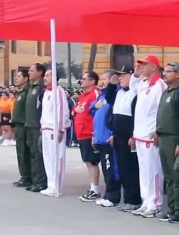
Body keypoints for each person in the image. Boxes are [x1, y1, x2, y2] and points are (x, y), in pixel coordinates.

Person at [131, 55, 167, 218]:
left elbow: (162, 110)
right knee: (143, 170)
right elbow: (132, 85)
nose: (141, 67)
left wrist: (158, 130)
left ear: (154, 67)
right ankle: (146, 200)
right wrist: (137, 73)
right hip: (139, 134)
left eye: (144, 64)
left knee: (154, 170)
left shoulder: (159, 85)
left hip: (151, 135)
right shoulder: (143, 84)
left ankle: (155, 203)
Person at [104, 66, 142, 211]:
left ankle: (134, 199)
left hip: (129, 135)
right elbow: (109, 100)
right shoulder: (120, 92)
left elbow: (135, 116)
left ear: (131, 76)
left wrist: (133, 135)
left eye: (123, 75)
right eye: (118, 75)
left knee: (130, 168)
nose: (119, 78)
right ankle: (127, 198)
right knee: (122, 167)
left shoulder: (135, 91)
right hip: (118, 134)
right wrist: (112, 84)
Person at [156, 62, 179, 222]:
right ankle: (171, 208)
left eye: (169, 71)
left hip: (174, 138)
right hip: (163, 137)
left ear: (178, 74)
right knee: (169, 176)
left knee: (177, 177)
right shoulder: (167, 91)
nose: (164, 74)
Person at [89, 70, 122, 208]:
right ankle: (108, 194)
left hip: (109, 138)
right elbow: (92, 111)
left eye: (105, 79)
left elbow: (115, 117)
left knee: (111, 168)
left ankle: (113, 196)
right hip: (100, 138)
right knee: (105, 167)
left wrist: (113, 134)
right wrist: (94, 136)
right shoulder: (101, 96)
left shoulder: (115, 95)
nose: (102, 82)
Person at [39, 70, 70, 197]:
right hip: (46, 128)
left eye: (47, 75)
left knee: (57, 157)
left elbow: (62, 111)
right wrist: (42, 125)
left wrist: (61, 129)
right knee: (48, 158)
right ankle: (51, 184)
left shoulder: (58, 91)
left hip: (55, 130)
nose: (45, 78)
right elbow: (45, 112)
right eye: (45, 75)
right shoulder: (46, 92)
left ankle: (57, 185)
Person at [74, 71, 102, 202]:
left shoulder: (95, 94)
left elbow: (97, 114)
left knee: (92, 162)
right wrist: (75, 110)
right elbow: (75, 109)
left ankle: (95, 189)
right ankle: (92, 188)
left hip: (89, 133)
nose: (81, 81)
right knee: (87, 162)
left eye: (84, 79)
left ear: (92, 81)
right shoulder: (83, 96)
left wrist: (94, 134)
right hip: (81, 133)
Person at [24, 63, 48, 193]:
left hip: (37, 126)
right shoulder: (31, 87)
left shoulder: (41, 88)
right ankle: (34, 180)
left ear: (39, 73)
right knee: (33, 154)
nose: (29, 73)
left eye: (32, 70)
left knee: (39, 155)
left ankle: (41, 182)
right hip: (29, 125)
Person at [12, 69, 32, 188]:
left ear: (26, 78)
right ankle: (24, 175)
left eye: (19, 76)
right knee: (21, 152)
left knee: (24, 152)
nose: (16, 78)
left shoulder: (28, 91)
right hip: (19, 125)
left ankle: (26, 177)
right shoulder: (22, 92)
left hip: (24, 125)